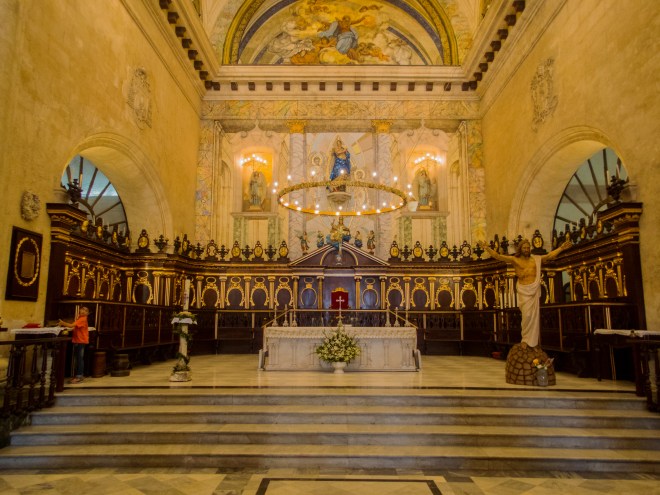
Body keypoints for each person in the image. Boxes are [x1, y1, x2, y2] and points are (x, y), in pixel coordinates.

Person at [480, 239, 572, 347]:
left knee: (534, 317)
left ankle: (533, 343)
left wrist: (561, 248)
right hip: (524, 291)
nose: (527, 249)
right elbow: (498, 256)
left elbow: (549, 256)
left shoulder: (535, 259)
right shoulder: (515, 259)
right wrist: (487, 248)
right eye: (524, 248)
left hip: (533, 290)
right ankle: (525, 340)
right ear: (520, 249)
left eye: (528, 248)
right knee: (526, 316)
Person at [59, 306, 90, 384]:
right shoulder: (80, 318)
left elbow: (71, 325)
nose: (83, 311)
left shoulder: (82, 319)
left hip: (80, 340)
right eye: (82, 309)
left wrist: (63, 323)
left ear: (87, 313)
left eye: (85, 310)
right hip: (78, 340)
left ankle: (79, 376)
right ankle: (78, 375)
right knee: (78, 358)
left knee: (79, 358)